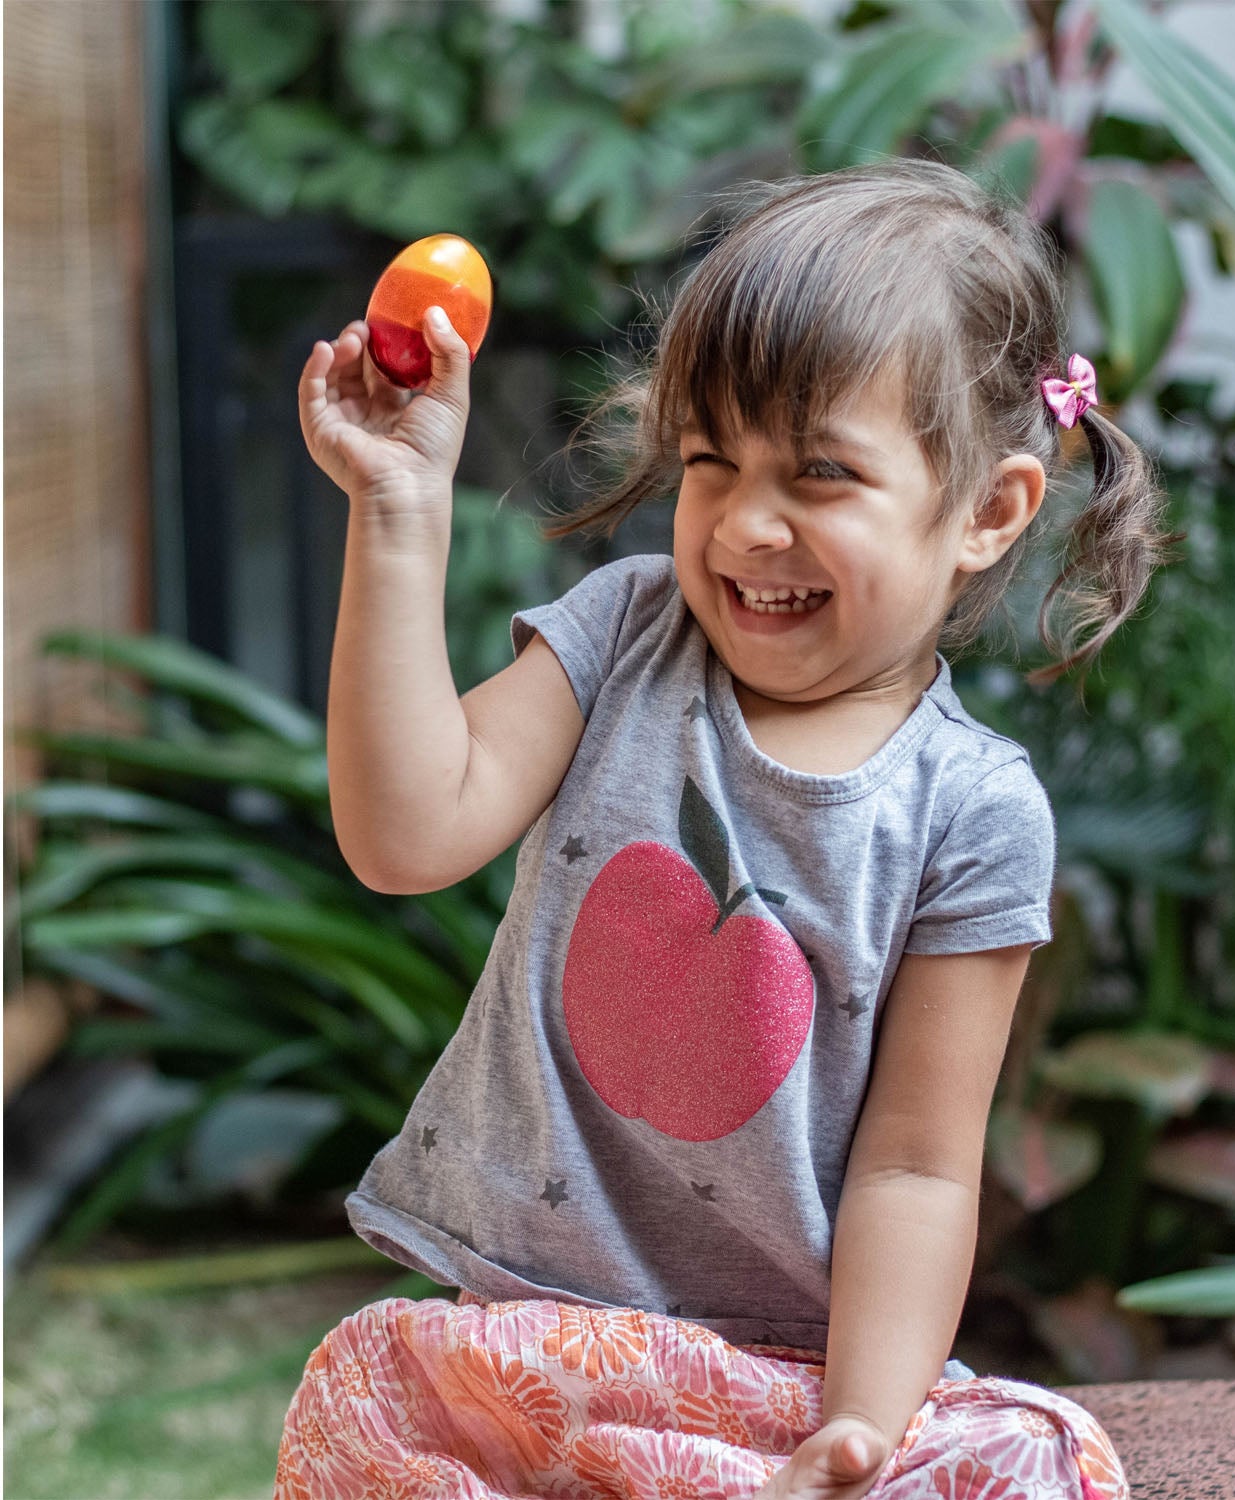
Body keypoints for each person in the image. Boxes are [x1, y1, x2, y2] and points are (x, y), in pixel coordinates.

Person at [276, 159, 1171, 1500]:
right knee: (361, 1394)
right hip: (528, 1360)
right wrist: (398, 514)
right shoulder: (628, 632)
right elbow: (406, 836)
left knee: (1035, 1461)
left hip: (770, 1395)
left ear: (989, 512)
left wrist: (856, 1437)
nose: (749, 522)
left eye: (820, 472)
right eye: (712, 461)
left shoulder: (975, 815)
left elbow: (920, 1173)